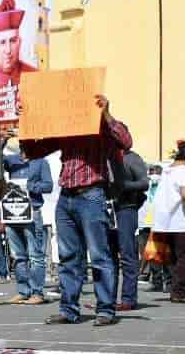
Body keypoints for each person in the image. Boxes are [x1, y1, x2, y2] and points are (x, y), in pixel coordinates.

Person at [22, 96, 133, 328]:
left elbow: (126, 141)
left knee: (100, 256)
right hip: (67, 197)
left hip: (92, 194)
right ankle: (69, 309)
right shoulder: (67, 128)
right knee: (68, 257)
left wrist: (106, 114)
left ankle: (105, 310)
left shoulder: (101, 127)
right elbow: (34, 150)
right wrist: (26, 121)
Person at [0, 140, 52, 304]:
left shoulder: (41, 162)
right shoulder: (12, 160)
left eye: (26, 146)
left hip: (32, 212)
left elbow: (48, 185)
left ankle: (37, 292)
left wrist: (30, 186)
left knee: (35, 255)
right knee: (18, 255)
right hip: (11, 213)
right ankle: (23, 290)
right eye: (21, 145)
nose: (23, 149)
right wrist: (1, 141)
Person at [151, 140, 185, 303]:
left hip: (165, 222)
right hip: (180, 222)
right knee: (183, 257)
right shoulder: (184, 172)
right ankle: (179, 292)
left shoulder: (167, 171)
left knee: (173, 258)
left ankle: (175, 290)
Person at [111, 147, 150, 310]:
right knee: (108, 257)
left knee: (127, 255)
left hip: (126, 209)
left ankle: (128, 299)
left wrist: (122, 185)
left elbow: (144, 183)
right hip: (106, 210)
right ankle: (108, 299)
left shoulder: (132, 158)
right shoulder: (105, 155)